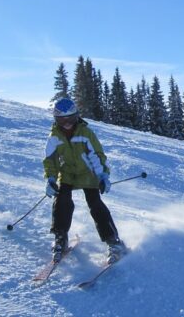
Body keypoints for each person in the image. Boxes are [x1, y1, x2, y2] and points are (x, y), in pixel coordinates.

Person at [43, 97, 127, 264]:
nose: (66, 123)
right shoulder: (54, 136)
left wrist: (102, 176)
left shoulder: (85, 133)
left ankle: (113, 241)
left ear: (77, 117)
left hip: (88, 174)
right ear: (56, 119)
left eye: (70, 119)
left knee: (95, 203)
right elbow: (50, 160)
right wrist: (51, 178)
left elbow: (97, 156)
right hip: (67, 174)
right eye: (62, 119)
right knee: (61, 201)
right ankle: (61, 238)